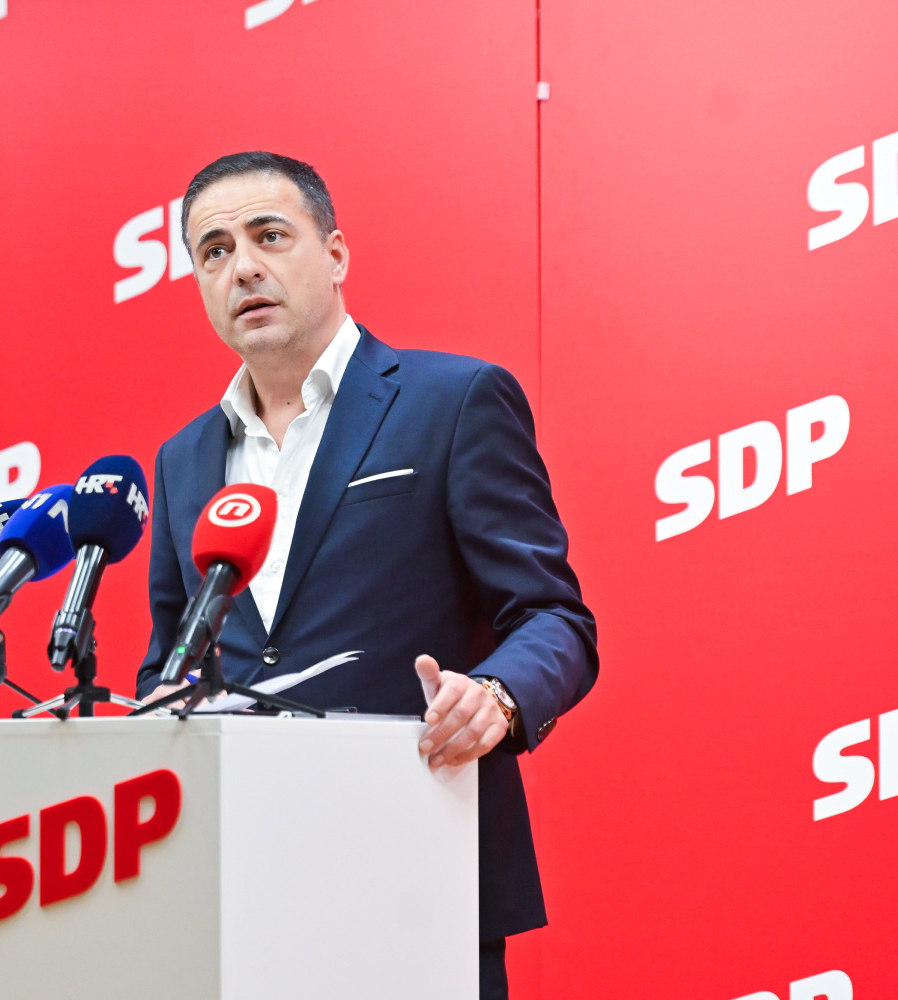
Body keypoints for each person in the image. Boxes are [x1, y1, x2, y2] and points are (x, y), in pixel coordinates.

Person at [136, 152, 598, 999]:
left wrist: (496, 695)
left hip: (418, 869)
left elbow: (554, 619)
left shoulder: (452, 400)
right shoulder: (184, 459)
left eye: (270, 236)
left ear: (337, 253)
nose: (244, 267)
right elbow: (170, 665)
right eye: (214, 251)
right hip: (239, 894)